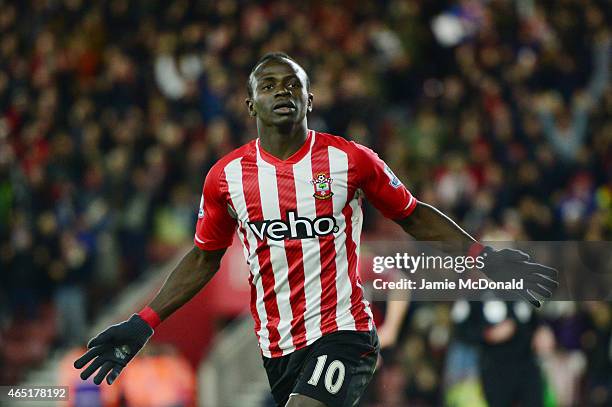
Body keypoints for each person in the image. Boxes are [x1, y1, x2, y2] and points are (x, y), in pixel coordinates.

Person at [74, 53, 558, 407]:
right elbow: (203, 257)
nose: (282, 92)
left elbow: (413, 213)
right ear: (250, 104)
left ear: (311, 98)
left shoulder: (350, 160)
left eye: (292, 85)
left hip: (344, 333)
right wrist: (144, 323)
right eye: (269, 85)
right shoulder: (226, 178)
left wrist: (485, 258)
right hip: (278, 347)